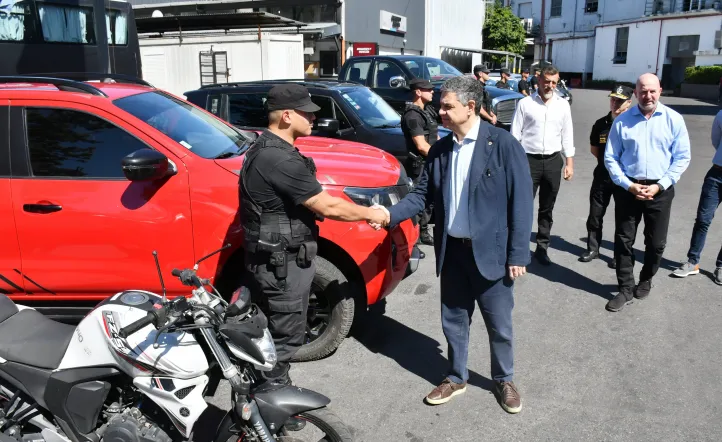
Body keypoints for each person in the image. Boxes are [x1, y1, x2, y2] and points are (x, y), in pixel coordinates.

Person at [371, 75, 533, 414]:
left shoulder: (503, 144)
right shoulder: (441, 149)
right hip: (454, 252)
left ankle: (504, 379)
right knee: (454, 320)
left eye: (447, 106)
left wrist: (518, 254)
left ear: (470, 106)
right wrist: (388, 215)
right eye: (440, 106)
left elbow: (521, 202)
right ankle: (456, 376)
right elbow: (421, 195)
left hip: (491, 254)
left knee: (499, 325)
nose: (440, 112)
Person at [240, 83, 388, 385]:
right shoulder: (277, 158)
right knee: (284, 337)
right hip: (281, 265)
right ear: (286, 116)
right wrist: (372, 214)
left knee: (276, 330)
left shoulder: (267, 148)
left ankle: (270, 390)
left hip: (278, 260)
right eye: (306, 113)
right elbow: (327, 205)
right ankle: (268, 399)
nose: (313, 117)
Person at [604, 73, 691, 312]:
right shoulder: (622, 121)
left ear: (660, 91)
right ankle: (625, 288)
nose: (648, 96)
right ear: (635, 93)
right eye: (643, 91)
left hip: (660, 190)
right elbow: (611, 158)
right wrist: (628, 185)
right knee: (624, 240)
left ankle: (646, 278)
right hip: (628, 189)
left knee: (656, 243)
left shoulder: (674, 119)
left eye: (652, 91)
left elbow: (682, 157)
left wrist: (660, 185)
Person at [510, 64, 574, 265]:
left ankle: (542, 248)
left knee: (547, 208)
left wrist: (569, 163)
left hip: (553, 161)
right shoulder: (525, 104)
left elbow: (567, 135)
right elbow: (515, 135)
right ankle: (518, 249)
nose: (550, 86)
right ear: (539, 80)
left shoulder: (563, 105)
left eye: (554, 82)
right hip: (529, 161)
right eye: (547, 81)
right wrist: (514, 164)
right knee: (522, 206)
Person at [580, 84, 633, 267]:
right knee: (595, 215)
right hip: (603, 176)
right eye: (613, 99)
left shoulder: (634, 124)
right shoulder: (600, 124)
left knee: (623, 219)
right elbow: (595, 150)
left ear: (629, 103)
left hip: (625, 179)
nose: (615, 103)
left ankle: (619, 255)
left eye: (620, 101)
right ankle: (593, 248)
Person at [672, 107, 722, 284]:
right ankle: (693, 262)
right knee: (703, 219)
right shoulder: (721, 115)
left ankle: (721, 266)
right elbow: (716, 141)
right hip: (716, 175)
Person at [400, 78, 439, 246]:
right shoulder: (412, 115)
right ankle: (412, 241)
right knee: (418, 200)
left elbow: (434, 135)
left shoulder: (427, 110)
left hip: (429, 161)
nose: (432, 92)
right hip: (420, 164)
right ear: (417, 92)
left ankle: (423, 232)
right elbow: (421, 146)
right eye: (428, 90)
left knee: (429, 201)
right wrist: (440, 155)